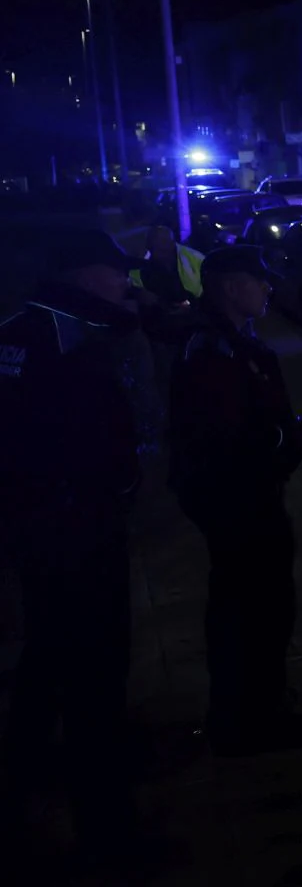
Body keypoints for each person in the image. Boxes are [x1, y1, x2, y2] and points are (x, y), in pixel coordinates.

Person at [0, 229, 157, 871]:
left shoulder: (16, 330)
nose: (126, 282)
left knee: (46, 654)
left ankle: (24, 778)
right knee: (95, 677)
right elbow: (104, 431)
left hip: (37, 528)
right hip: (78, 527)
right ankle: (106, 835)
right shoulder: (73, 338)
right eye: (117, 271)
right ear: (85, 273)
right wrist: (118, 484)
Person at [169, 245, 302, 755]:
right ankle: (251, 717)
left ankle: (258, 702)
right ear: (232, 288)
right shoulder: (212, 348)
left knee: (257, 603)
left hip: (242, 496)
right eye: (260, 282)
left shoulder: (227, 339)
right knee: (253, 606)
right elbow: (225, 436)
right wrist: (285, 441)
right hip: (239, 501)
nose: (269, 290)